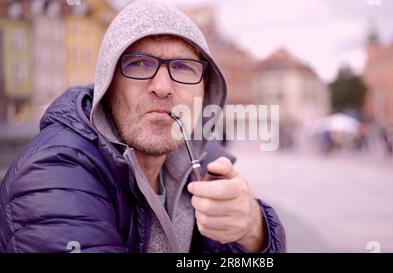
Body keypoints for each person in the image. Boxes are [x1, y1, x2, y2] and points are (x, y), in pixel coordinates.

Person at [0, 0, 285, 253]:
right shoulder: (55, 174)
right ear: (108, 86)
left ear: (205, 90)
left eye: (183, 67)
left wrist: (254, 231)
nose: (162, 87)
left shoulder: (205, 164)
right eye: (138, 64)